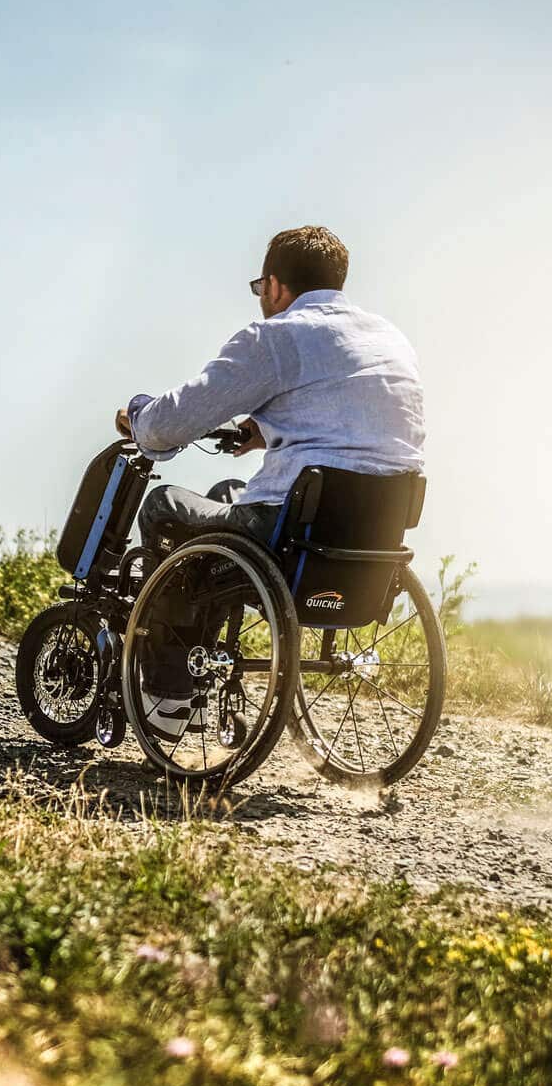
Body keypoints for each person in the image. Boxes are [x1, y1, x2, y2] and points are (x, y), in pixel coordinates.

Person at [113, 225, 426, 737]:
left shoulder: (275, 338)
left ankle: (170, 697)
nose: (263, 300)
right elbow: (355, 421)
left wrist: (138, 415)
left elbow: (174, 421)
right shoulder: (389, 338)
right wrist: (266, 430)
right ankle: (201, 658)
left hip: (290, 532)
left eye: (262, 289)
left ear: (276, 286)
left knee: (165, 505)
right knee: (225, 497)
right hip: (368, 537)